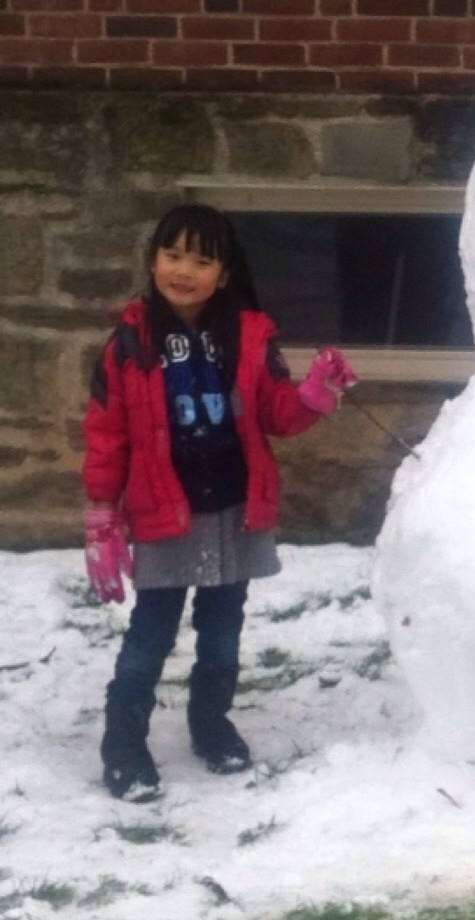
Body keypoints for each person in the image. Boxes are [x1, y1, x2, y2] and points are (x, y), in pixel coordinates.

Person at [82, 203, 357, 802]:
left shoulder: (253, 337)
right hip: (164, 512)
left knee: (223, 630)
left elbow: (276, 416)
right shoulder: (127, 343)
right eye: (172, 254)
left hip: (236, 508)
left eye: (201, 260)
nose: (184, 270)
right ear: (153, 260)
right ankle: (123, 743)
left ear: (224, 273)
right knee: (150, 634)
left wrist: (315, 394)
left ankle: (210, 723)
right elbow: (108, 433)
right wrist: (102, 514)